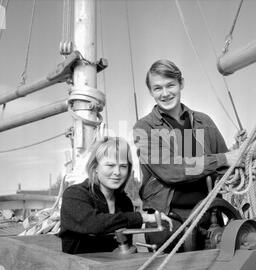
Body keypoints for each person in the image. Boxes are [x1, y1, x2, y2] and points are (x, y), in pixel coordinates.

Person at [133, 59, 241, 252]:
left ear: (181, 84)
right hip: (167, 221)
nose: (165, 93)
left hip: (209, 216)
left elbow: (225, 165)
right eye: (157, 88)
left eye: (170, 85)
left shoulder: (203, 122)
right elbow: (171, 170)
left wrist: (236, 162)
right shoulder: (145, 128)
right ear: (151, 92)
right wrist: (224, 159)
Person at [59, 136, 173, 254]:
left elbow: (123, 245)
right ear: (95, 167)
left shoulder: (125, 202)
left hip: (113, 268)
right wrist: (143, 217)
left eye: (123, 166)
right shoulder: (74, 195)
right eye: (110, 165)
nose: (117, 172)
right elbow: (94, 223)